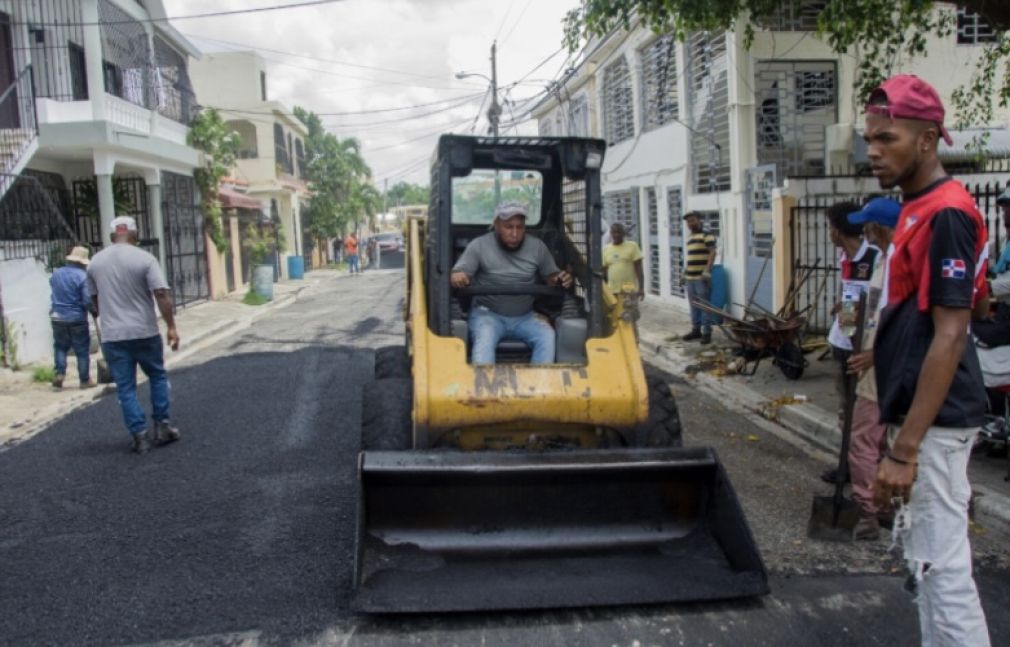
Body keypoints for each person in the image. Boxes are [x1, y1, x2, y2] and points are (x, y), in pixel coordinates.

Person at [865, 74, 990, 646]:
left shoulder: (945, 213)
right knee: (926, 570)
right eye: (869, 139)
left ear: (928, 140)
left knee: (943, 573)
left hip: (935, 429)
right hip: (921, 420)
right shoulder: (917, 208)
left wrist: (905, 450)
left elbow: (951, 335)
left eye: (886, 138)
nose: (873, 151)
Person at [87, 216, 181, 455]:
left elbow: (95, 302)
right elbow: (161, 293)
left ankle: (139, 436)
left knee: (125, 387)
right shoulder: (145, 259)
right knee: (157, 376)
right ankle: (162, 426)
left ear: (111, 236)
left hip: (113, 336)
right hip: (144, 331)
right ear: (135, 234)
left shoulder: (95, 263)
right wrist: (171, 326)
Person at [450, 201, 572, 365]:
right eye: (509, 227)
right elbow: (458, 273)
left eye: (520, 227)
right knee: (485, 337)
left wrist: (560, 278)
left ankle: (539, 386)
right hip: (487, 315)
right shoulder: (479, 246)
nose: (515, 233)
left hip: (525, 316)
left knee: (547, 335)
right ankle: (485, 387)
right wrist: (459, 276)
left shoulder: (537, 247)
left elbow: (551, 275)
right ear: (496, 225)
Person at [843, 197, 901, 540]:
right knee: (883, 439)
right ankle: (888, 506)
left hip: (884, 364)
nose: (863, 230)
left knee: (864, 438)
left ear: (877, 227)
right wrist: (848, 321)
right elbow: (860, 299)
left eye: (867, 224)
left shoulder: (895, 261)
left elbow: (898, 317)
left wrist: (874, 354)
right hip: (878, 357)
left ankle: (870, 511)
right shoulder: (882, 258)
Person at [820, 200, 880, 485]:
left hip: (866, 349)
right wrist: (842, 310)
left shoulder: (875, 258)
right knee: (846, 410)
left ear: (839, 230)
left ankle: (867, 470)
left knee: (865, 414)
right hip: (843, 343)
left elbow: (878, 303)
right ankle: (845, 465)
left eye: (830, 227)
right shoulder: (844, 258)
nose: (828, 233)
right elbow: (849, 295)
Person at [49, 246, 95, 389]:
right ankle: (84, 380)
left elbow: (53, 288)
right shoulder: (82, 277)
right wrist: (94, 311)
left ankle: (59, 374)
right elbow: (87, 300)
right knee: (81, 349)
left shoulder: (56, 274)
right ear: (83, 262)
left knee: (60, 347)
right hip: (77, 318)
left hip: (57, 316)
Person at [682, 211, 717, 344]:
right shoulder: (690, 238)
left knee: (705, 306)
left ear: (699, 220)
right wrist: (684, 274)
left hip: (701, 278)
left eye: (692, 220)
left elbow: (712, 252)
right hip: (690, 278)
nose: (690, 223)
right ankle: (696, 330)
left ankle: (707, 333)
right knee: (693, 306)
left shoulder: (707, 235)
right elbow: (691, 258)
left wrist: (707, 270)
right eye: (688, 222)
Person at [602, 223, 644, 299]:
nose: (617, 235)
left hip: (628, 288)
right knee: (615, 311)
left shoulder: (632, 246)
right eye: (614, 232)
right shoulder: (606, 249)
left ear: (623, 233)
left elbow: (639, 268)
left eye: (619, 232)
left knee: (630, 310)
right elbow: (604, 271)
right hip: (612, 290)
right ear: (611, 233)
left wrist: (641, 288)